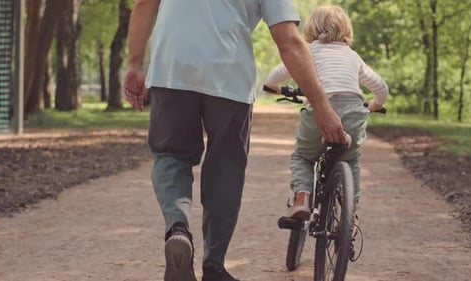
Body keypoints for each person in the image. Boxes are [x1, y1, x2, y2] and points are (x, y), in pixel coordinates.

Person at [123, 1, 347, 280]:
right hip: (229, 78)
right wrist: (322, 107)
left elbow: (144, 4)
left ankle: (177, 228)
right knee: (226, 169)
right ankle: (214, 266)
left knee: (171, 157)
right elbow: (288, 40)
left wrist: (134, 62)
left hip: (172, 69)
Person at [264, 4, 389, 222]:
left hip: (320, 111)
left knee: (303, 156)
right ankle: (350, 211)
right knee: (351, 161)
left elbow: (276, 74)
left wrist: (274, 86)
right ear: (346, 30)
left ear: (312, 28)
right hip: (354, 113)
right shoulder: (352, 56)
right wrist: (376, 104)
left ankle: (302, 198)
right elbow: (381, 87)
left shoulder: (309, 52)